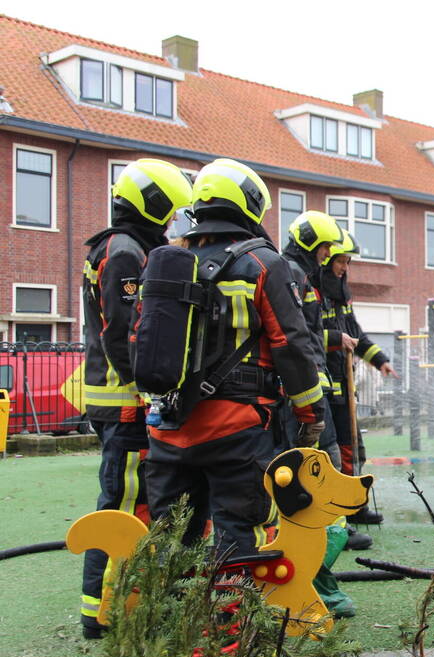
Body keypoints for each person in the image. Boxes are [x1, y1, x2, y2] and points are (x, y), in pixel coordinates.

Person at [143, 158, 325, 563]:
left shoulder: (169, 260)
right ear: (249, 204)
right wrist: (310, 412)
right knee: (239, 534)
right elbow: (290, 344)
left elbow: (142, 336)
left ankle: (168, 619)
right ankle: (231, 622)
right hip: (237, 428)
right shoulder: (262, 263)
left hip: (169, 428)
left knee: (172, 541)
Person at [79, 158, 193, 639]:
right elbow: (122, 331)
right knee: (123, 505)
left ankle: (123, 601)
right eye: (169, 212)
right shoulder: (125, 252)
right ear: (153, 203)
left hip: (124, 398)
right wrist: (151, 386)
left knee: (138, 503)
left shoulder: (124, 246)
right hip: (124, 399)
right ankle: (101, 614)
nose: (171, 223)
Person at [280, 211, 373, 552]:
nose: (329, 257)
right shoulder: (293, 275)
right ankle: (330, 531)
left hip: (312, 385)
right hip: (307, 388)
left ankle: (333, 527)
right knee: (324, 459)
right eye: (327, 250)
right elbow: (297, 335)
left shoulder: (300, 276)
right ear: (312, 244)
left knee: (324, 456)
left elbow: (308, 332)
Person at [319, 240, 398, 521]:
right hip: (325, 387)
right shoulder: (314, 293)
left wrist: (380, 360)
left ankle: (353, 506)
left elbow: (356, 335)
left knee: (353, 448)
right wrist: (336, 341)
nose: (344, 267)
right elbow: (309, 336)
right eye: (340, 261)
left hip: (344, 386)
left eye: (347, 263)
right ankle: (339, 512)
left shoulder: (342, 297)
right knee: (334, 452)